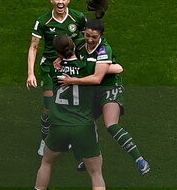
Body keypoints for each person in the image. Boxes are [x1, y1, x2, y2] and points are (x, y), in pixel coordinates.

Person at [21, 34, 121, 190]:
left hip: (59, 124)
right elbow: (114, 69)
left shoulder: (52, 67)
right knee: (95, 172)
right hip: (83, 125)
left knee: (47, 163)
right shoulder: (87, 67)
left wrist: (58, 61)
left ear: (58, 53)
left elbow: (55, 67)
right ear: (74, 46)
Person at [62, 18, 151, 175]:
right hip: (90, 91)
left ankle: (139, 160)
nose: (90, 39)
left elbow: (97, 78)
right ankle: (83, 158)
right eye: (87, 35)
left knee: (111, 124)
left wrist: (72, 80)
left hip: (109, 88)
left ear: (101, 36)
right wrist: (58, 60)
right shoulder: (79, 43)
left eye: (94, 37)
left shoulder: (104, 49)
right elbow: (65, 50)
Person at [26, 0, 87, 154]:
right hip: (49, 69)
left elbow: (88, 39)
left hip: (71, 67)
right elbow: (34, 47)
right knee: (48, 108)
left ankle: (67, 138)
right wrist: (30, 73)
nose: (60, 2)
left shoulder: (78, 18)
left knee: (70, 106)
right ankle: (45, 140)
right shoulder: (43, 21)